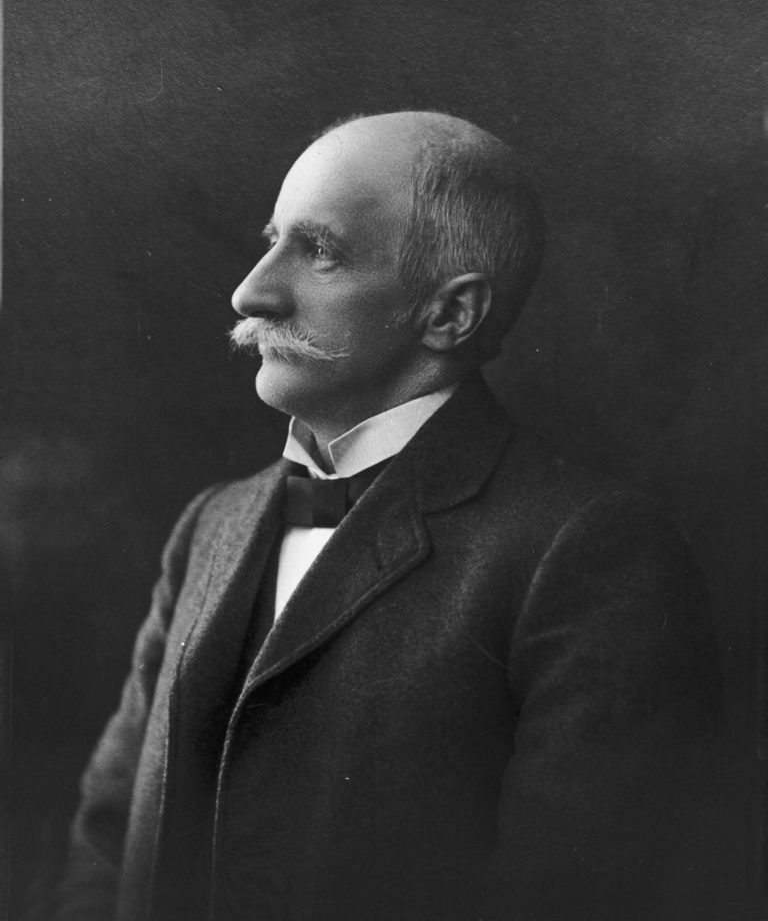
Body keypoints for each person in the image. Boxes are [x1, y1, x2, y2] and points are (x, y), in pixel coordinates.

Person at [55, 112, 722, 921]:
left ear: (449, 315)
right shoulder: (213, 524)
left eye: (320, 251)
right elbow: (103, 845)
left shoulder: (589, 551)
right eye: (272, 241)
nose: (251, 291)